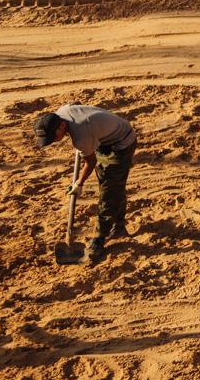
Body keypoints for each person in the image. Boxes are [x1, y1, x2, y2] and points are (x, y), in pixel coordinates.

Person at [32, 104, 136, 263]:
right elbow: (75, 104)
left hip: (121, 143)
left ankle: (100, 239)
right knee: (114, 185)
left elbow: (91, 162)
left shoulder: (81, 137)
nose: (53, 141)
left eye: (54, 136)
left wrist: (79, 184)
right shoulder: (62, 112)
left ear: (62, 125)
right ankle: (119, 225)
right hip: (104, 140)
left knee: (109, 190)